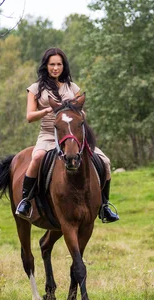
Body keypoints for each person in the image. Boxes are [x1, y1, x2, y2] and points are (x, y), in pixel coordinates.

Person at [15, 47, 120, 224]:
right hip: (49, 133)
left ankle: (104, 205)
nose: (55, 68)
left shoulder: (72, 87)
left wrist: (77, 113)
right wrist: (48, 110)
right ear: (46, 66)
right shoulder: (35, 89)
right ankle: (26, 201)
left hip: (73, 134)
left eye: (59, 64)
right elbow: (29, 116)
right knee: (37, 157)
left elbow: (82, 112)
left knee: (106, 162)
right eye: (52, 64)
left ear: (64, 66)